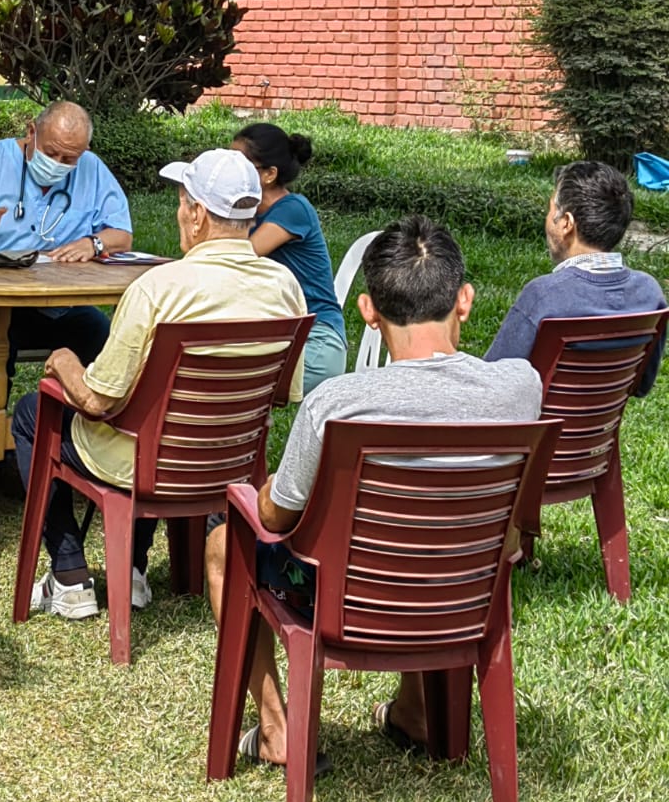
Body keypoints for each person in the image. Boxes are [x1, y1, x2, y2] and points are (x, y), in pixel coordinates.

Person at [205, 214, 543, 766]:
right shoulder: (519, 387)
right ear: (464, 300)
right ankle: (413, 711)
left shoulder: (337, 403)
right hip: (464, 592)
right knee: (431, 526)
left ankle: (276, 731)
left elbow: (275, 517)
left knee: (224, 545)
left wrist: (259, 493)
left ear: (367, 310)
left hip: (350, 601)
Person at [10, 149, 307, 620]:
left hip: (146, 465)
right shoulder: (285, 285)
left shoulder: (158, 287)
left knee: (32, 411)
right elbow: (283, 393)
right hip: (228, 460)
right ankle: (132, 569)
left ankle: (69, 575)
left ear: (198, 214)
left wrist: (65, 361)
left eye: (181, 201)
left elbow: (95, 398)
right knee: (150, 415)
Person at [0, 101, 133, 404]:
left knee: (101, 336)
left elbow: (121, 235)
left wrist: (94, 244)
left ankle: (83, 432)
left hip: (60, 304)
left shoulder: (92, 169)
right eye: (51, 153)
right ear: (31, 131)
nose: (59, 163)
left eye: (70, 158)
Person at [486, 160, 666, 394]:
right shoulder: (649, 293)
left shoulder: (543, 296)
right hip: (600, 429)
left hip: (535, 431)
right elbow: (642, 385)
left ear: (567, 223)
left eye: (551, 210)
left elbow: (491, 387)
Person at [231, 123, 347, 393]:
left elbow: (238, 258)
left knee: (225, 387)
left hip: (316, 342)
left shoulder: (292, 209)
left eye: (240, 164)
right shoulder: (252, 212)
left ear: (270, 174)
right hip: (280, 337)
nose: (230, 172)